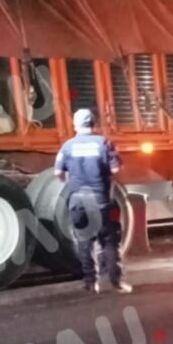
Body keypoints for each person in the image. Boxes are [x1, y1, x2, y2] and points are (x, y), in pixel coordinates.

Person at [55, 108, 132, 294]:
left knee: (84, 242)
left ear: (75, 125)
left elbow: (58, 172)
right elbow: (115, 170)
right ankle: (116, 282)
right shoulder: (104, 143)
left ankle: (91, 283)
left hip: (78, 202)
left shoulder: (67, 146)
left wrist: (70, 182)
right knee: (110, 241)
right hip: (101, 200)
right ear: (93, 123)